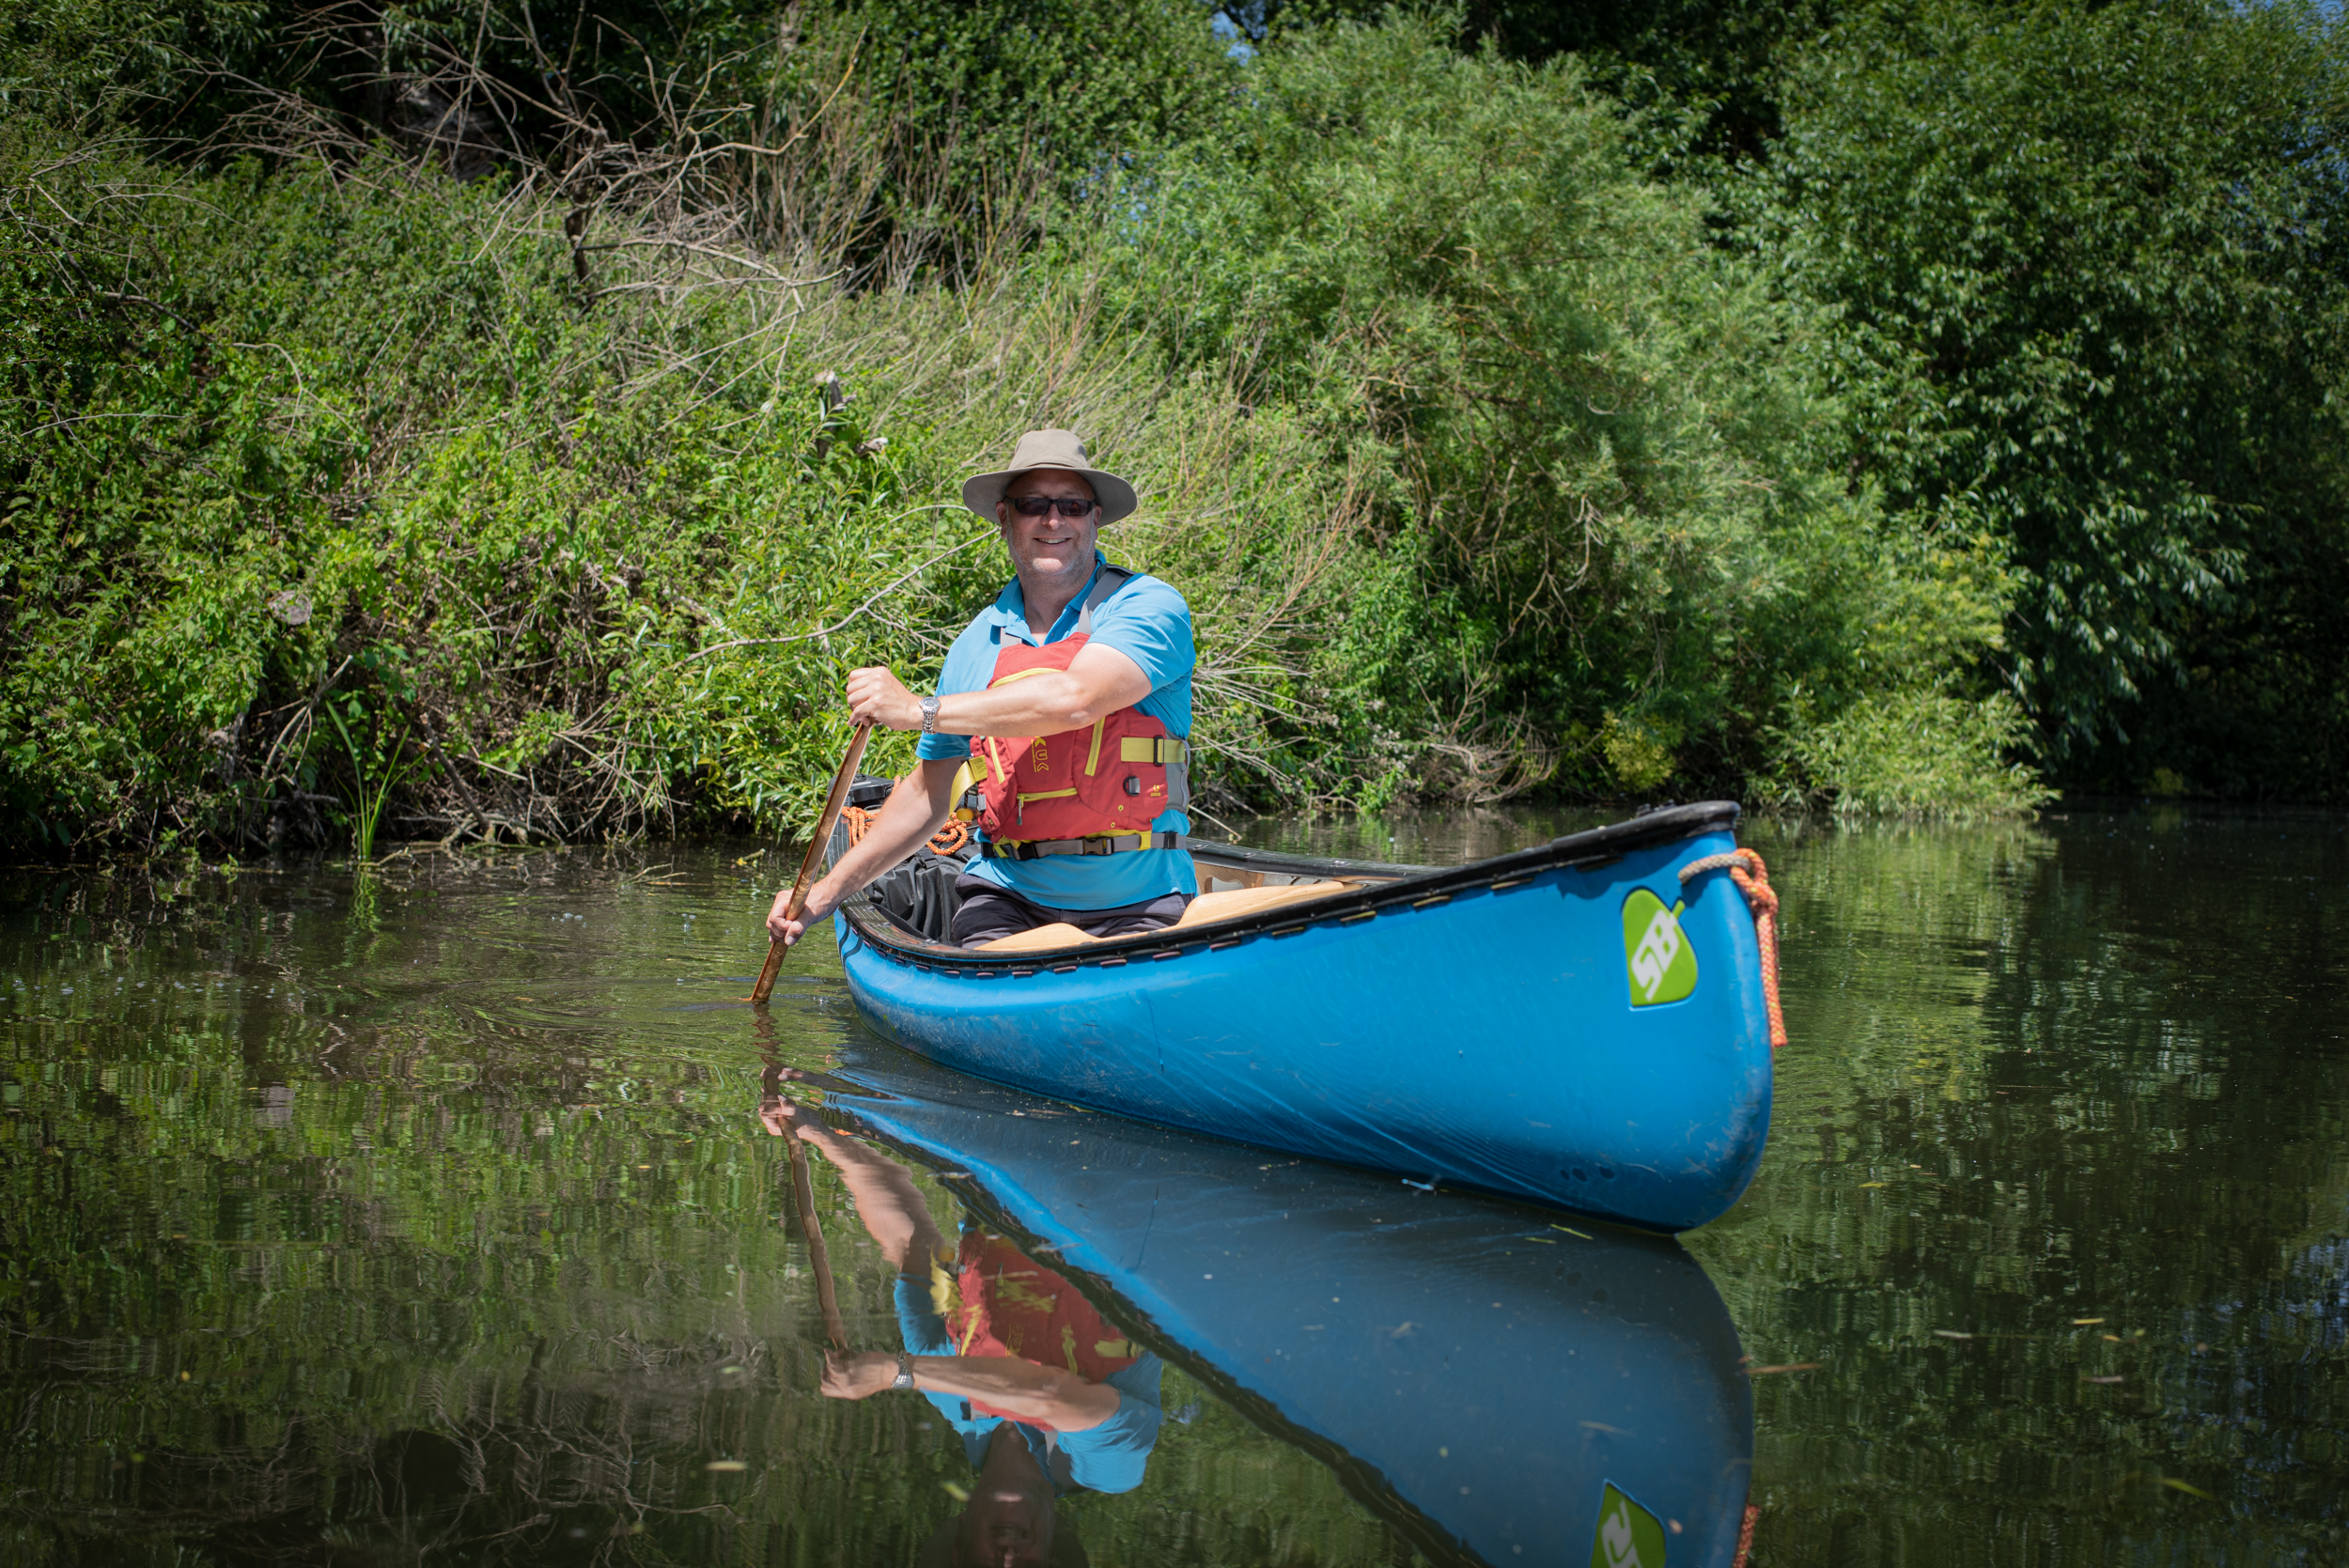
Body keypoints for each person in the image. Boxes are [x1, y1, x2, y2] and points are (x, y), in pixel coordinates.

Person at [766, 429, 1197, 950]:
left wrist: (918, 710)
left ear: (1095, 518)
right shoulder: (975, 646)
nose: (1053, 520)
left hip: (1140, 902)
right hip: (1008, 901)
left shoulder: (1147, 606)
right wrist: (824, 893)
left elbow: (1074, 699)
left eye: (1073, 505)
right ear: (1004, 518)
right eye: (1033, 504)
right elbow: (929, 793)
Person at [761, 1089, 1162, 1567]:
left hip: (1001, 1151)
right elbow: (1051, 1394)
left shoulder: (946, 1388)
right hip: (1128, 1158)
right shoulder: (1109, 1466)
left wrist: (816, 1130)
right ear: (1053, 1556)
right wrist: (896, 1372)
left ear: (961, 1543)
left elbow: (911, 1238)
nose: (1008, 1558)